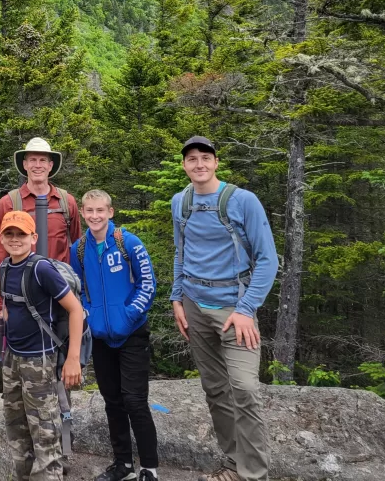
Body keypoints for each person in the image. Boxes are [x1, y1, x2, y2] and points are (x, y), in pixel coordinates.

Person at [171, 136, 278, 481]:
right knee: (215, 389)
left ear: (216, 162)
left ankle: (254, 474)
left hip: (235, 309)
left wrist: (246, 309)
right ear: (184, 165)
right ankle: (233, 464)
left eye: (205, 158)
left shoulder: (243, 201)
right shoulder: (180, 202)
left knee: (244, 389)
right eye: (192, 159)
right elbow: (180, 251)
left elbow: (267, 260)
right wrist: (176, 299)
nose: (199, 164)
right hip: (194, 305)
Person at [0, 210, 84, 481]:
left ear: (33, 237)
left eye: (21, 234)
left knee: (45, 430)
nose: (15, 239)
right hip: (13, 359)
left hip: (40, 361)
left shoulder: (41, 269)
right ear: (2, 237)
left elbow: (76, 310)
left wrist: (73, 358)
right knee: (16, 427)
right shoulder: (5, 268)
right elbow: (9, 310)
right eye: (10, 234)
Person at [68, 190, 158, 481]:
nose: (95, 216)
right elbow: (76, 290)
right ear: (82, 213)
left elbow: (148, 285)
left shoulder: (128, 243)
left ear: (111, 211)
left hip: (132, 333)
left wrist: (130, 314)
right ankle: (123, 465)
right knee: (112, 401)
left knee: (135, 400)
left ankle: (149, 467)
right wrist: (89, 316)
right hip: (101, 337)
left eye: (100, 210)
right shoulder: (78, 250)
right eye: (89, 211)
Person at [0, 137, 81, 312]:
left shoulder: (66, 202)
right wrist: (2, 303)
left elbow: (77, 248)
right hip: (21, 292)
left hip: (61, 292)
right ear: (25, 164)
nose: (37, 165)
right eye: (32, 160)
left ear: (50, 165)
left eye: (42, 160)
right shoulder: (9, 203)